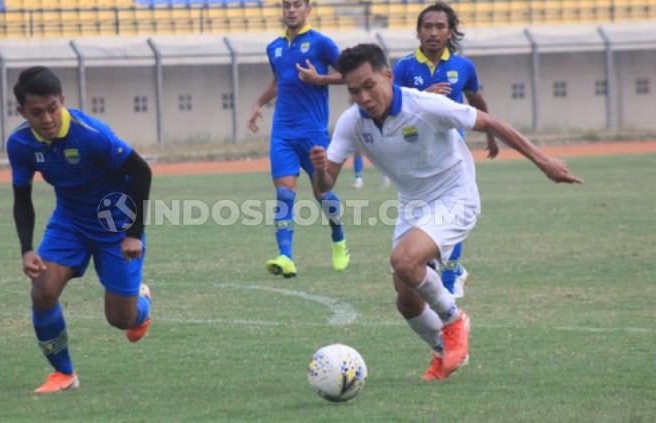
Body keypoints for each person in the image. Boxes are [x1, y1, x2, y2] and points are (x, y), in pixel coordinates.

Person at [310, 44, 581, 381]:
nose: (363, 97)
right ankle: (443, 350)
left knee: (404, 261)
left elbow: (491, 122)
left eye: (369, 86)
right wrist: (320, 170)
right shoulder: (351, 123)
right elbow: (325, 185)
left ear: (388, 76)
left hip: (456, 195)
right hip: (413, 204)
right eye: (353, 91)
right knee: (406, 300)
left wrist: (545, 162)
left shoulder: (425, 106)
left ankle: (454, 321)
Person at [7, 66, 154, 394]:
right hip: (69, 222)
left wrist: (133, 232)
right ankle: (65, 374)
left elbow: (142, 172)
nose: (46, 118)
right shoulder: (19, 144)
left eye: (52, 108)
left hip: (115, 224)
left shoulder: (91, 134)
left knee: (121, 319)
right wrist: (26, 249)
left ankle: (142, 303)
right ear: (21, 112)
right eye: (36, 112)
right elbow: (22, 198)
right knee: (42, 291)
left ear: (62, 100)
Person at [393, 2, 499, 297]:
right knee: (422, 217)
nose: (433, 32)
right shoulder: (404, 67)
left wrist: (490, 135)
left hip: (452, 156)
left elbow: (477, 100)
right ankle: (444, 269)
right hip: (417, 155)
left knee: (453, 211)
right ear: (418, 31)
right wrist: (421, 97)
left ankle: (451, 278)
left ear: (451, 31)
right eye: (427, 26)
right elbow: (394, 107)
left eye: (440, 26)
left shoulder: (462, 67)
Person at [247, 0, 349, 278]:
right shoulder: (274, 47)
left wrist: (320, 79)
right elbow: (279, 80)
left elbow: (350, 75)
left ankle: (339, 238)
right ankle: (286, 256)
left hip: (313, 133)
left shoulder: (321, 44)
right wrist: (259, 103)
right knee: (283, 194)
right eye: (286, 5)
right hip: (283, 133)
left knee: (322, 193)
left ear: (308, 10)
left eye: (297, 5)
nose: (291, 10)